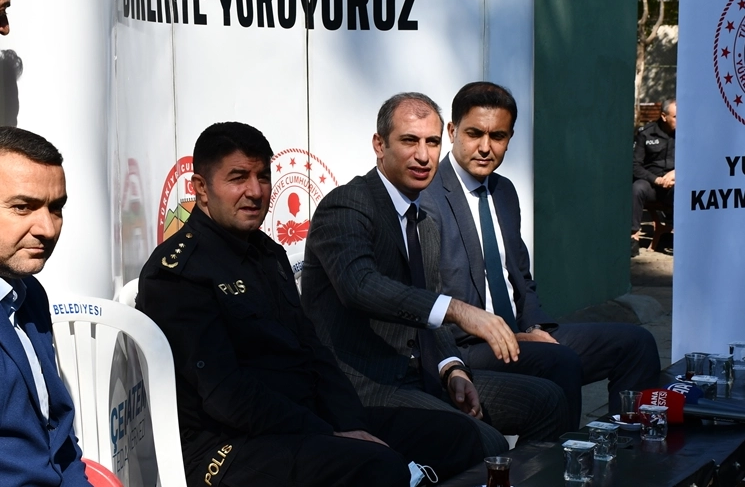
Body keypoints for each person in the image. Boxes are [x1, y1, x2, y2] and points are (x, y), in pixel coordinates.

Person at [136, 121, 484, 487]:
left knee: (456, 436)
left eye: (263, 177)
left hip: (301, 423)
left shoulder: (266, 253)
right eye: (238, 178)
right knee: (379, 467)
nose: (254, 191)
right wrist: (328, 433)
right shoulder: (179, 273)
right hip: (230, 449)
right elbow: (227, 396)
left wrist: (351, 424)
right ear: (201, 188)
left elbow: (314, 352)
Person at [301, 92, 570, 456]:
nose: (424, 156)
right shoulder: (348, 204)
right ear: (379, 144)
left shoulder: (423, 220)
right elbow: (359, 286)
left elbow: (431, 312)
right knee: (484, 441)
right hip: (365, 388)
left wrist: (452, 369)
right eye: (409, 141)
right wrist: (459, 310)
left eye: (432, 142)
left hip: (424, 376)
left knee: (548, 400)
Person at [421, 81, 661, 429]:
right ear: (452, 131)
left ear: (509, 137)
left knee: (637, 344)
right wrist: (512, 336)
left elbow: (522, 278)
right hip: (467, 345)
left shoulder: (504, 191)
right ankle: (561, 458)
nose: (486, 147)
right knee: (558, 361)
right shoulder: (427, 196)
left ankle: (626, 449)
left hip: (522, 333)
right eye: (474, 134)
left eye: (498, 136)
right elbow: (428, 300)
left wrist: (533, 327)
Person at [0, 127, 91, 485]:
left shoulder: (29, 293)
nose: (48, 228)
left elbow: (59, 440)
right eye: (23, 207)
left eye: (56, 208)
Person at [631, 99, 676, 256]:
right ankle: (633, 237)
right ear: (664, 116)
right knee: (637, 188)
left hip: (675, 185)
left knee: (685, 192)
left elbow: (696, 161)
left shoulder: (687, 133)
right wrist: (656, 180)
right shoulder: (646, 133)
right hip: (652, 184)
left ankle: (682, 235)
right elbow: (635, 165)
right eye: (675, 117)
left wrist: (676, 173)